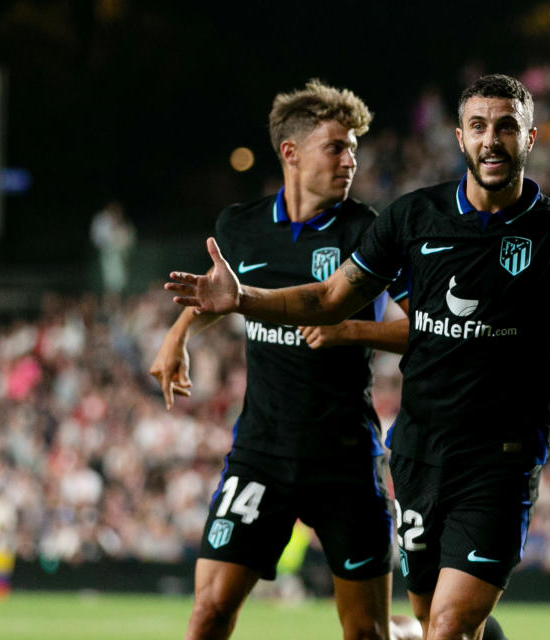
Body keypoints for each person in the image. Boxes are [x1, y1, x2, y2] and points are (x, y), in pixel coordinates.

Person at [165, 74, 550, 639]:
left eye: (507, 127)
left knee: (447, 625)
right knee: (425, 618)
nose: (492, 140)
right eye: (479, 127)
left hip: (499, 457)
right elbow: (328, 298)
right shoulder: (412, 219)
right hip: (417, 451)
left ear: (530, 137)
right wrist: (241, 299)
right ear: (459, 137)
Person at [150, 79, 420, 640]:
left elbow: (429, 329)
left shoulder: (370, 232)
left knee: (366, 633)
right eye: (336, 147)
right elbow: (220, 296)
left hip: (345, 457)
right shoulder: (240, 227)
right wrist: (178, 333)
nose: (350, 160)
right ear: (290, 153)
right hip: (262, 453)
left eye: (353, 148)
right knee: (209, 611)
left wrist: (349, 330)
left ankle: (417, 634)